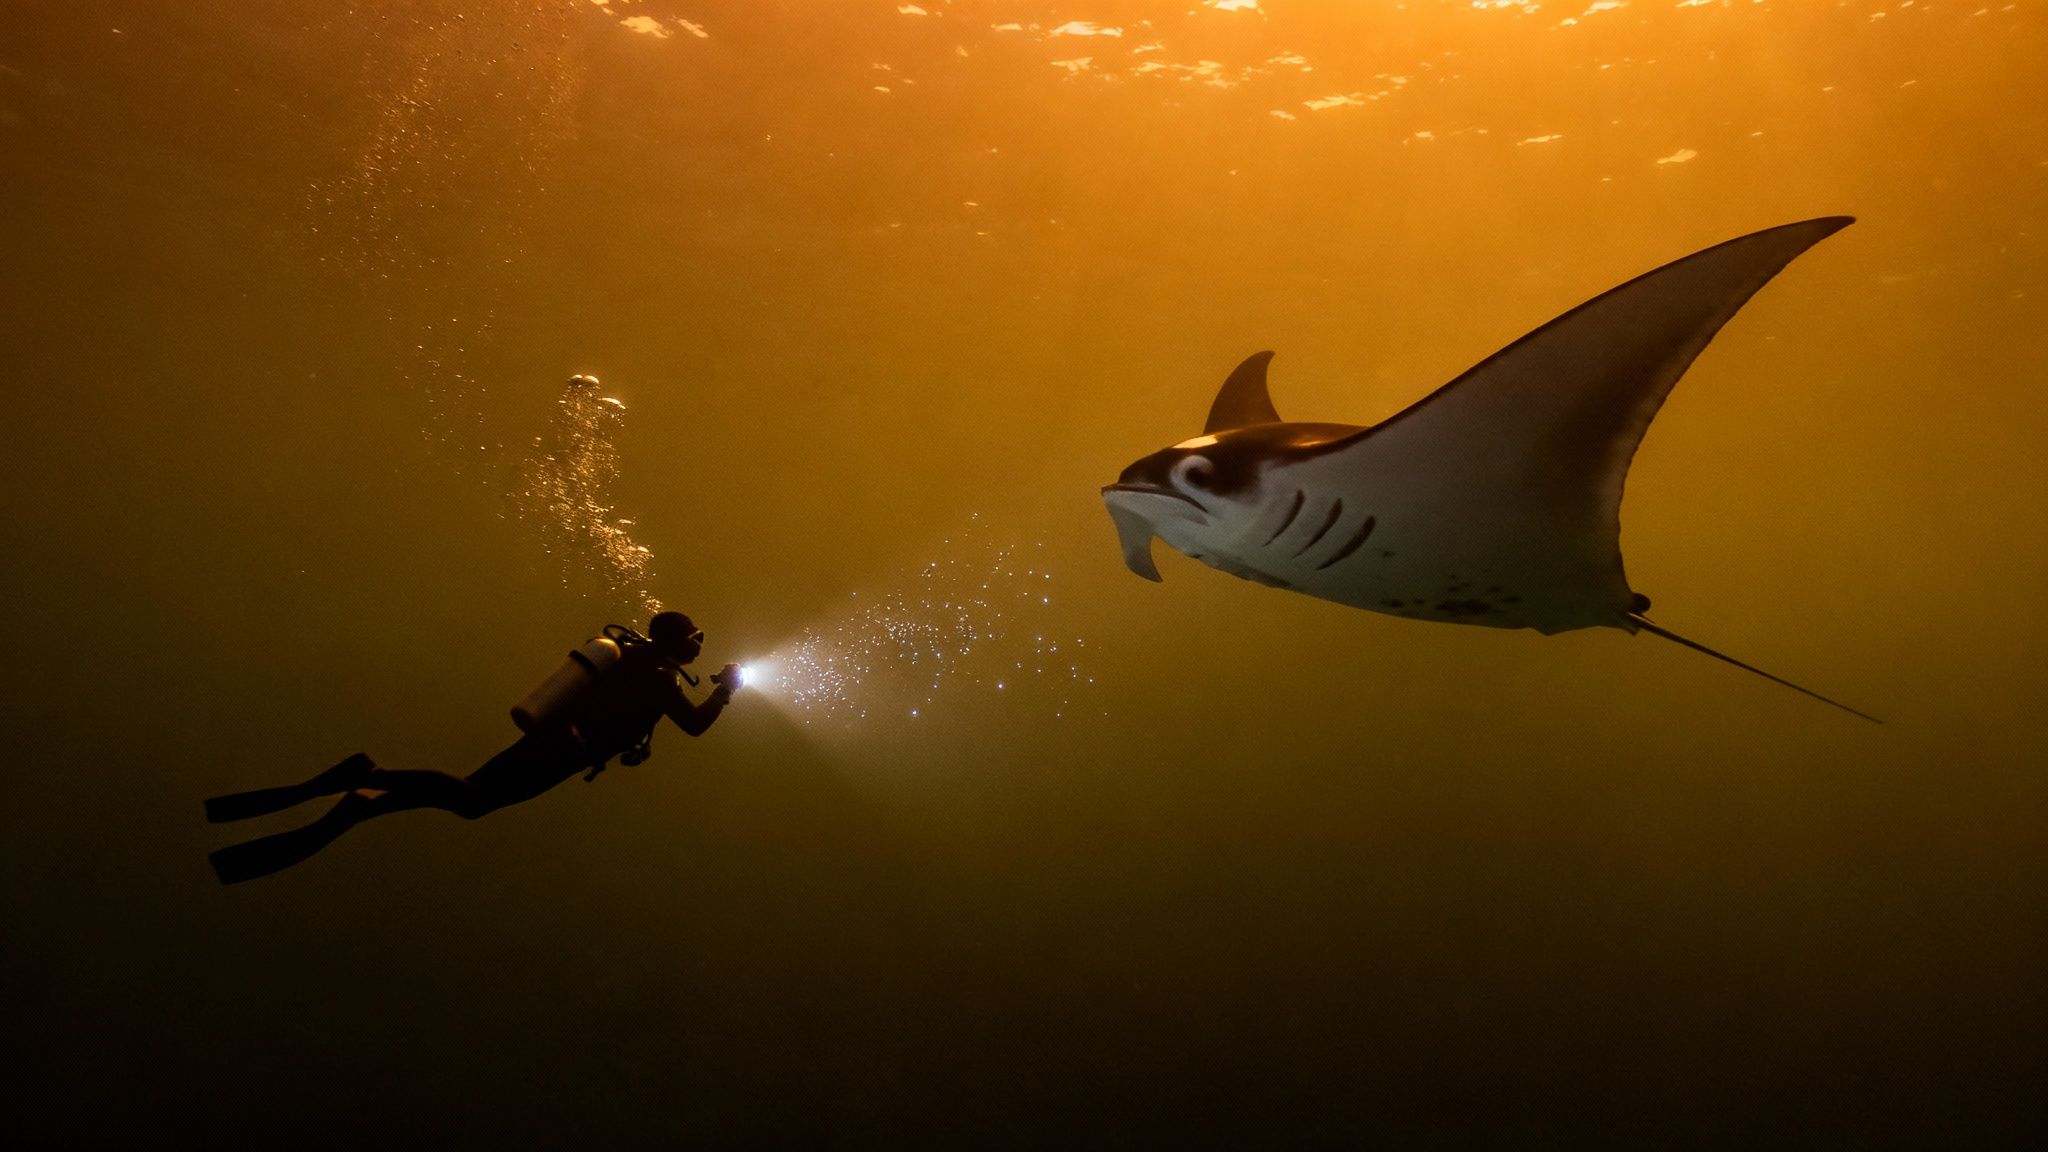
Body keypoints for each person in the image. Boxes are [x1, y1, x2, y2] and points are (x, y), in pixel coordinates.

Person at [206, 611, 742, 884]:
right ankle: (363, 778)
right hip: (560, 752)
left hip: (551, 740)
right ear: (674, 640)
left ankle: (366, 797)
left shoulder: (635, 660)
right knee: (470, 798)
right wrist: (724, 691)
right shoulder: (661, 678)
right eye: (694, 635)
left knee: (472, 797)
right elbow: (694, 728)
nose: (700, 642)